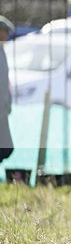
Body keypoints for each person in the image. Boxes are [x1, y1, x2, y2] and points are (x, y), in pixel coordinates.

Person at [0, 16, 14, 164]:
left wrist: (8, 101)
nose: (6, 35)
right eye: (4, 31)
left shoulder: (2, 52)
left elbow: (5, 81)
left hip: (2, 109)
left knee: (6, 148)